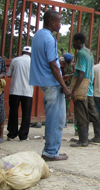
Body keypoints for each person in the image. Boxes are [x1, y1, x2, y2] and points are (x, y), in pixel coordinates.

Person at [30, 9, 72, 161]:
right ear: (52, 22)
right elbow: (53, 65)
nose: (60, 25)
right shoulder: (49, 38)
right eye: (59, 22)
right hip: (52, 83)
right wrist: (65, 86)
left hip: (45, 82)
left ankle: (51, 149)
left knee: (55, 118)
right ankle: (51, 152)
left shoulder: (38, 35)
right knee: (56, 119)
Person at [70, 32, 100, 147]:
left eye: (73, 41)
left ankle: (83, 140)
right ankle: (98, 136)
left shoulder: (80, 53)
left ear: (78, 41)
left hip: (82, 88)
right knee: (92, 112)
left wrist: (74, 89)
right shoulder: (89, 53)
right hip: (89, 88)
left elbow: (82, 72)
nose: (72, 44)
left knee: (81, 113)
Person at [6, 46, 34, 141]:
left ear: (22, 52)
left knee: (13, 112)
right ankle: (23, 135)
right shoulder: (33, 62)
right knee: (26, 114)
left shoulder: (15, 60)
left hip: (15, 90)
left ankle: (12, 134)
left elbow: (9, 74)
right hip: (28, 91)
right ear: (30, 53)